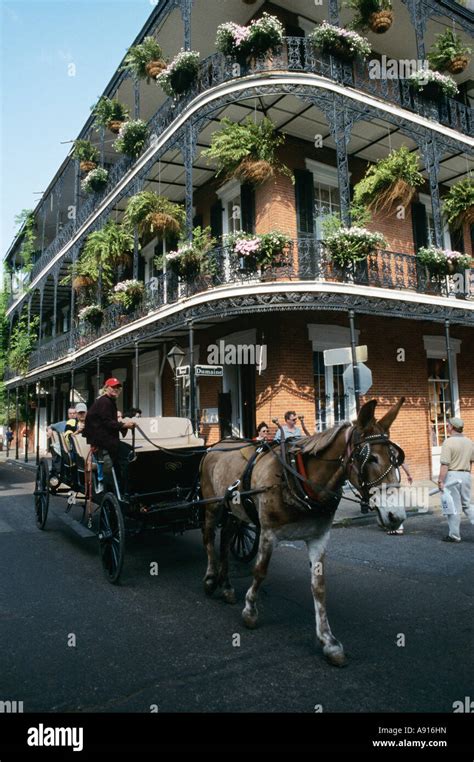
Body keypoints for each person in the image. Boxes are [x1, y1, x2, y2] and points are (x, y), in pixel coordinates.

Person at [83, 378, 135, 493]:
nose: (116, 389)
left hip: (105, 439)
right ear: (106, 388)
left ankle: (120, 487)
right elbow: (107, 422)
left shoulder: (107, 401)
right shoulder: (105, 401)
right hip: (104, 440)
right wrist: (124, 425)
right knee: (129, 455)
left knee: (128, 452)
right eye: (113, 387)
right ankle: (125, 490)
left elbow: (107, 421)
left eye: (118, 388)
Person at [438, 417, 474, 543]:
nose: (446, 427)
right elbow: (471, 461)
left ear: (452, 427)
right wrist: (467, 473)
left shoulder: (448, 442)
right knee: (467, 505)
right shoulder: (469, 441)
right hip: (466, 475)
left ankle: (454, 535)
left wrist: (440, 481)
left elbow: (445, 465)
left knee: (453, 507)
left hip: (452, 476)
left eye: (447, 425)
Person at [387, 462, 413, 536]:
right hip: (393, 477)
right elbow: (403, 462)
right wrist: (408, 474)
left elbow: (403, 462)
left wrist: (409, 474)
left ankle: (398, 527)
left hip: (390, 477)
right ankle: (395, 526)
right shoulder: (396, 450)